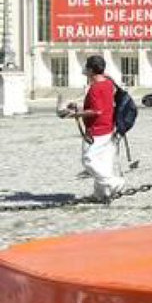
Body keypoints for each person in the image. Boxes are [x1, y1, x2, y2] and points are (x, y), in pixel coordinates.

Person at [59, 54, 125, 201]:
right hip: (108, 127)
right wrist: (79, 107)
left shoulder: (95, 88)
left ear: (90, 70)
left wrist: (76, 114)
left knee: (89, 160)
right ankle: (101, 194)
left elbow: (96, 111)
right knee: (103, 162)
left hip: (96, 130)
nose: (84, 69)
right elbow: (101, 105)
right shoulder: (108, 83)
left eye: (86, 67)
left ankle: (113, 183)